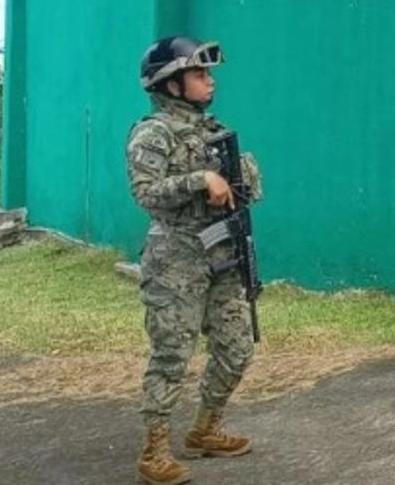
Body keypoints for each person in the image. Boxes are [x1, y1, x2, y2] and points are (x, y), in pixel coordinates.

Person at [126, 36, 261, 485]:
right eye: (200, 75)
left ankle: (205, 429)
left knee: (238, 347)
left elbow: (241, 191)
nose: (210, 82)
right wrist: (199, 179)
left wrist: (243, 181)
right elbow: (146, 194)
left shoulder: (212, 131)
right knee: (172, 356)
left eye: (209, 74)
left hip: (221, 254)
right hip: (175, 262)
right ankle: (154, 450)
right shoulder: (153, 133)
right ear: (172, 84)